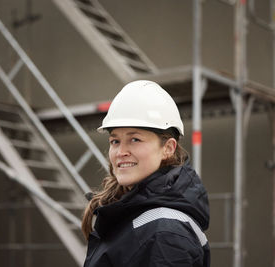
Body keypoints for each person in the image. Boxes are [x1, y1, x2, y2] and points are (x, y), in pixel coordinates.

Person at [81, 80, 210, 267]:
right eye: (115, 141)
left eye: (135, 139)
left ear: (168, 148)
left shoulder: (165, 233)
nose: (120, 152)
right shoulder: (135, 213)